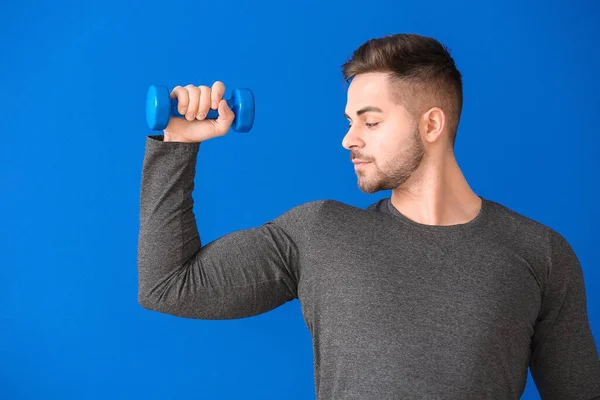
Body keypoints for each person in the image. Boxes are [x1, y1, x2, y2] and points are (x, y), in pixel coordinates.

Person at [137, 33, 600, 399]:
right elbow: (167, 287)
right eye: (349, 121)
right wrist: (177, 145)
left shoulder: (540, 254)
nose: (349, 139)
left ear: (432, 124)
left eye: (370, 121)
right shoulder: (319, 234)